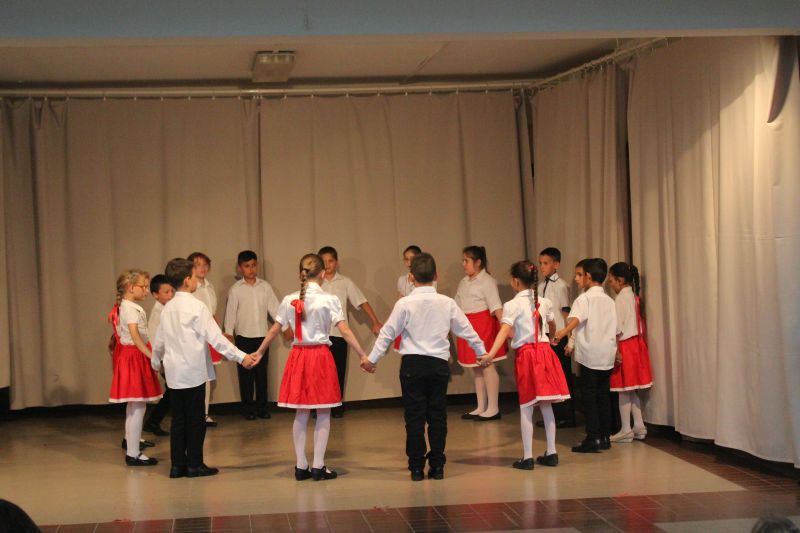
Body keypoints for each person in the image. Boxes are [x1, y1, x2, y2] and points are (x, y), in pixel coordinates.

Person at [363, 253, 487, 481]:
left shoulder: (404, 304)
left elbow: (387, 333)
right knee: (437, 416)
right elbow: (466, 330)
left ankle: (416, 468)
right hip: (438, 364)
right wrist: (482, 352)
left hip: (412, 364)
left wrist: (372, 359)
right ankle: (437, 466)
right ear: (436, 276)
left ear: (411, 277)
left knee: (414, 417)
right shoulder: (447, 303)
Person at [252, 253, 370, 481]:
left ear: (301, 274)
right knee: (323, 412)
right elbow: (345, 331)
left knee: (301, 412)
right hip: (320, 357)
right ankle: (318, 465)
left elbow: (275, 329)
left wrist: (259, 351)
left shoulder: (289, 299)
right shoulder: (330, 299)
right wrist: (363, 355)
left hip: (298, 357)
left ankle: (301, 466)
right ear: (323, 274)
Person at [151, 258, 258, 478]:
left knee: (178, 420)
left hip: (174, 373)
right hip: (193, 372)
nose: (197, 280)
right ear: (187, 280)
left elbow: (160, 340)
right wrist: (242, 357)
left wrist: (155, 361)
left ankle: (177, 466)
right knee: (196, 419)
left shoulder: (167, 308)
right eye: (194, 275)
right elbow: (216, 339)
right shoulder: (197, 307)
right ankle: (194, 464)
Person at [483, 261, 570, 469]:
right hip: (546, 353)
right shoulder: (544, 301)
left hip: (527, 356)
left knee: (526, 406)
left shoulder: (512, 305)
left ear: (515, 281)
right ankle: (552, 452)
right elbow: (552, 323)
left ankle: (528, 457)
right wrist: (552, 337)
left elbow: (505, 330)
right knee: (546, 404)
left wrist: (490, 353)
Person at [553, 258, 617, 453]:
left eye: (580, 274)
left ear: (588, 276)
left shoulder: (584, 298)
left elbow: (576, 320)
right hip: (607, 354)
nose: (576, 278)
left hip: (590, 354)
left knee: (589, 397)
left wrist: (562, 333)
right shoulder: (609, 300)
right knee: (603, 395)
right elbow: (616, 328)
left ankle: (593, 437)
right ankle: (605, 437)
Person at [318, 245, 382, 417]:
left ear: (336, 262)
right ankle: (320, 407)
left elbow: (361, 301)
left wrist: (375, 321)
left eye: (330, 261)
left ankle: (336, 406)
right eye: (324, 262)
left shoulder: (345, 282)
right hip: (319, 335)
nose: (327, 265)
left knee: (338, 371)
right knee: (320, 372)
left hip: (339, 334)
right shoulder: (316, 283)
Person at [108, 269, 163, 466]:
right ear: (131, 288)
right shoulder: (130, 309)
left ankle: (132, 446)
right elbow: (136, 337)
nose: (146, 291)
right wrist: (152, 356)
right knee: (138, 406)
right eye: (143, 287)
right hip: (134, 358)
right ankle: (133, 453)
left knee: (135, 407)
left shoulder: (126, 306)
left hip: (132, 356)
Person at [224, 250, 280, 420]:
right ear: (240, 268)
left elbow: (275, 309)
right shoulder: (236, 289)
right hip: (243, 337)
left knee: (262, 375)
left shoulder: (265, 287)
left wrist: (285, 327)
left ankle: (262, 408)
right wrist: (228, 333)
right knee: (246, 376)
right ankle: (248, 408)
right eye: (247, 266)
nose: (251, 269)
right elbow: (231, 313)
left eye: (254, 265)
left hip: (262, 337)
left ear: (257, 266)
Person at [454, 245, 506, 421]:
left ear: (478, 262)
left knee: (487, 365)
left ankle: (493, 408)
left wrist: (506, 328)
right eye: (463, 260)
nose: (463, 264)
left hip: (483, 325)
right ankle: (481, 406)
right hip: (468, 326)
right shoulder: (463, 282)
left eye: (466, 261)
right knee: (476, 368)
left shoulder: (487, 281)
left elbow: (496, 306)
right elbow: (456, 305)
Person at [608, 262, 653, 442]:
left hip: (625, 345)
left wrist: (616, 350)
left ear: (620, 280)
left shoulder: (620, 299)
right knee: (631, 389)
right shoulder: (634, 296)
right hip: (636, 345)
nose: (611, 284)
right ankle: (639, 426)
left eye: (612, 281)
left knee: (623, 390)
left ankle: (626, 429)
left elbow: (617, 328)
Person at [537, 247, 576, 428]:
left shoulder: (561, 286)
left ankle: (567, 415)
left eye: (546, 263)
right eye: (541, 263)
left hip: (559, 336)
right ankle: (553, 415)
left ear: (556, 265)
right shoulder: (540, 286)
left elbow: (566, 313)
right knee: (550, 375)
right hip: (547, 335)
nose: (542, 267)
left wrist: (569, 338)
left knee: (563, 375)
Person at [187, 252, 220, 427]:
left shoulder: (209, 286)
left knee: (207, 375)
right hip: (195, 333)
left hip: (209, 331)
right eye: (197, 264)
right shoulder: (190, 287)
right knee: (196, 375)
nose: (202, 268)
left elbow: (212, 311)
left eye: (205, 264)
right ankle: (195, 414)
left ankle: (204, 413)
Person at [143, 274, 174, 437]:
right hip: (164, 358)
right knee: (174, 390)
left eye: (171, 291)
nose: (170, 295)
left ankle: (153, 422)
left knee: (172, 391)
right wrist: (159, 361)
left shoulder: (166, 309)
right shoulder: (158, 312)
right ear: (155, 295)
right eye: (166, 292)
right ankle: (153, 422)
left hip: (168, 357)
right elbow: (155, 338)